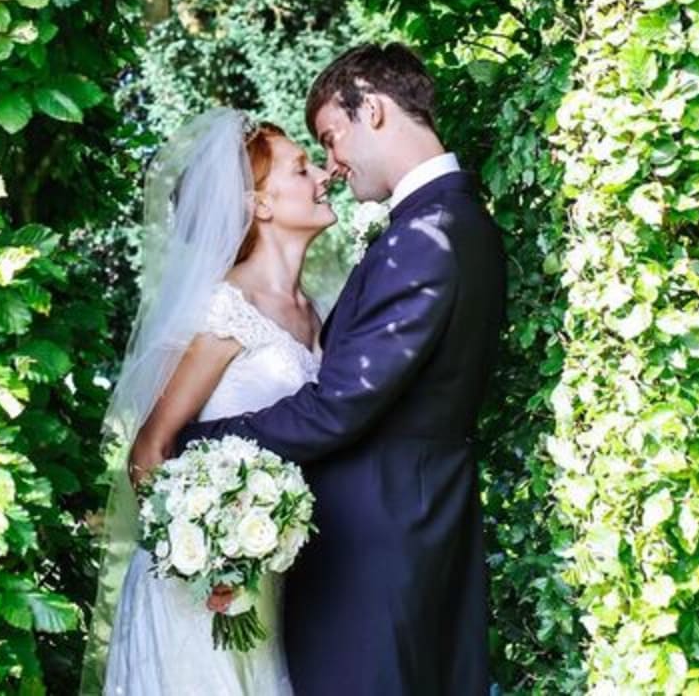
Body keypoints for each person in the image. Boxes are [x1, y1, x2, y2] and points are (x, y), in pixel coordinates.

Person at [178, 43, 508, 695]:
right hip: (409, 526)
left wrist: (200, 447)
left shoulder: (427, 235)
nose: (332, 164)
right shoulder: (449, 222)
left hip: (377, 550)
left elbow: (339, 404)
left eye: (331, 137)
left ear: (374, 111)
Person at [82, 107, 337, 695]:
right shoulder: (224, 311)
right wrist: (211, 563)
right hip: (202, 592)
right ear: (261, 205)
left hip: (269, 578)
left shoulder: (314, 309)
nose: (323, 175)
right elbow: (150, 448)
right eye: (301, 169)